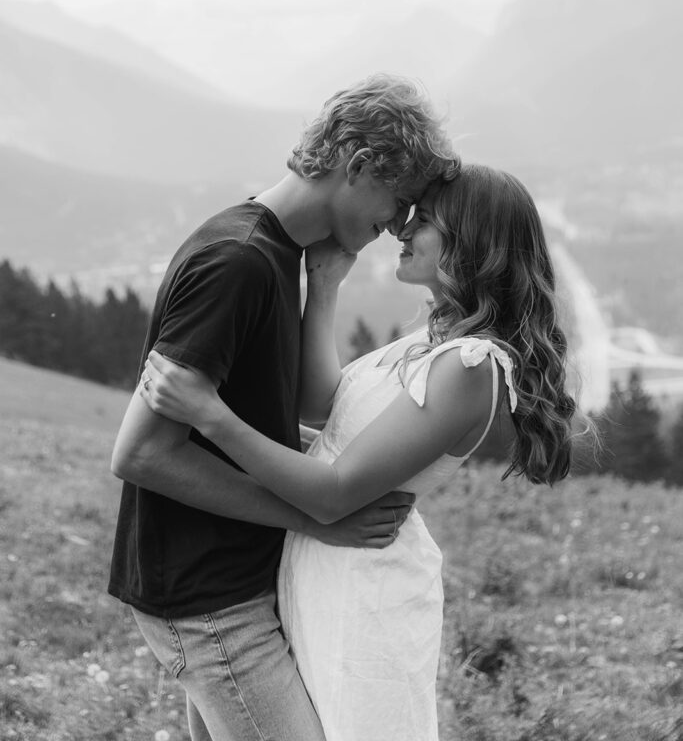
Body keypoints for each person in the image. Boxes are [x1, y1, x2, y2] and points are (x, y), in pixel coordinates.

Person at [140, 164, 579, 741]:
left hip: (365, 588)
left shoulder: (470, 367)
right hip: (320, 568)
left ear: (470, 244)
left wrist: (208, 415)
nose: (401, 229)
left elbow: (336, 492)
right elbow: (322, 406)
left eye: (422, 221)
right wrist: (324, 290)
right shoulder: (434, 341)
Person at [108, 74, 459, 741]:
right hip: (207, 597)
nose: (394, 227)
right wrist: (314, 519)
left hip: (229, 585)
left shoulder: (273, 252)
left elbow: (268, 403)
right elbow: (143, 452)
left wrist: (321, 290)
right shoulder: (237, 262)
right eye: (397, 202)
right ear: (358, 166)